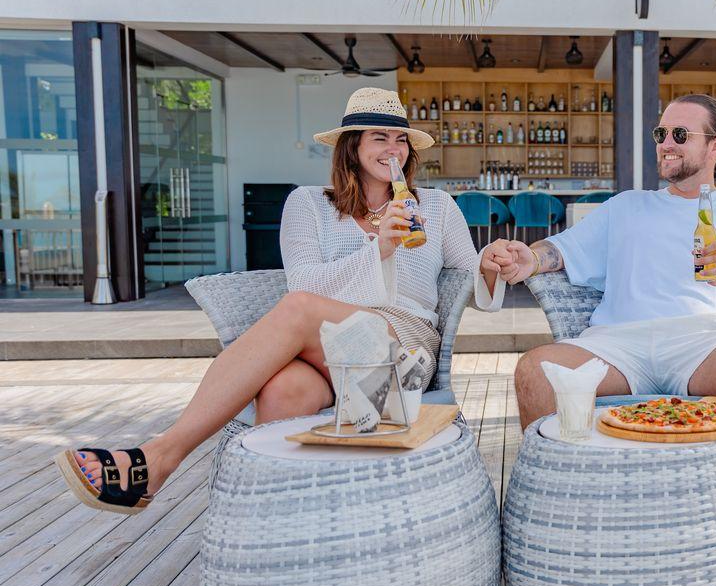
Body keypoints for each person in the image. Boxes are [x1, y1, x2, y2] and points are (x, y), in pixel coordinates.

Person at [55, 87, 502, 514]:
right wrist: (378, 249)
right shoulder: (307, 205)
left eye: (400, 139)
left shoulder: (436, 206)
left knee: (298, 308)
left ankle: (160, 457)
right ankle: (270, 516)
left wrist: (496, 260)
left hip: (399, 363)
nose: (393, 149)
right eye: (379, 138)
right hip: (328, 361)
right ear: (351, 147)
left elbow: (470, 272)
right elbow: (304, 280)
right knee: (284, 389)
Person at [482, 93, 716, 464]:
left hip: (706, 344)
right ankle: (557, 486)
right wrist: (530, 258)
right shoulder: (626, 206)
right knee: (535, 371)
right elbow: (558, 250)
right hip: (617, 345)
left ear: (715, 146)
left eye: (680, 134)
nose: (666, 144)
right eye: (660, 133)